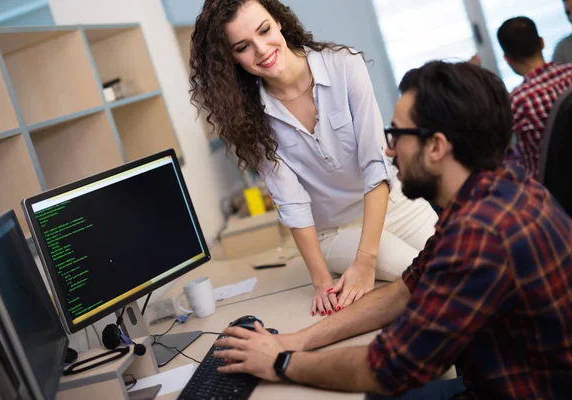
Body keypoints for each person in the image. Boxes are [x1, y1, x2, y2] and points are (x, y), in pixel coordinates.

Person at [211, 61, 572, 399]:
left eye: (397, 134)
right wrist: (294, 341)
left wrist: (280, 363)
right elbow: (403, 293)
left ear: (435, 147)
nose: (388, 148)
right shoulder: (492, 191)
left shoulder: (480, 234)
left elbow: (384, 368)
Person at [189, 0, 437, 316]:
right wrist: (321, 282)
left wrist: (366, 261)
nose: (262, 49)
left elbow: (376, 166)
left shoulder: (344, 65)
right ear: (232, 58)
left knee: (461, 262)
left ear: (278, 21)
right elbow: (292, 204)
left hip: (395, 206)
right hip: (336, 232)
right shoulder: (249, 117)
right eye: (243, 47)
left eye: (264, 30)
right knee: (425, 278)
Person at [497, 16, 572, 178]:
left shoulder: (518, 101)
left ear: (507, 59)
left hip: (550, 192)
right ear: (542, 42)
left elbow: (495, 148)